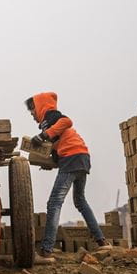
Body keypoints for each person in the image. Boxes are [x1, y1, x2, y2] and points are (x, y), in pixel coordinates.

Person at [25, 92, 108, 262]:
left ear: (39, 107)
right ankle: (102, 242)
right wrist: (49, 163)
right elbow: (58, 150)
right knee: (80, 201)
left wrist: (43, 136)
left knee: (54, 203)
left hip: (72, 158)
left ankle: (46, 252)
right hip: (81, 157)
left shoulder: (50, 116)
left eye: (32, 110)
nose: (32, 115)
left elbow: (67, 121)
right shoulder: (47, 125)